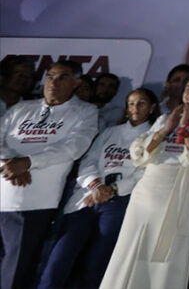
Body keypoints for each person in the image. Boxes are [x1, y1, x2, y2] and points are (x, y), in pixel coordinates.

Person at [99, 74, 189, 289]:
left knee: (168, 252)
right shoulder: (165, 118)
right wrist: (166, 128)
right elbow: (140, 154)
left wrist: (187, 125)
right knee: (132, 246)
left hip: (181, 187)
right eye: (188, 88)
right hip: (148, 187)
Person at [38, 88, 160, 289]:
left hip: (120, 202)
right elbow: (89, 160)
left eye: (142, 103)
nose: (135, 108)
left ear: (152, 107)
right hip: (87, 197)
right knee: (59, 259)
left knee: (96, 264)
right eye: (131, 103)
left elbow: (144, 173)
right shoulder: (110, 132)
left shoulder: (155, 137)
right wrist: (96, 185)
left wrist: (112, 190)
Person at [0, 60, 99, 289]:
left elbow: (74, 147)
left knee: (14, 275)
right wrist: (10, 163)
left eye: (62, 77)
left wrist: (29, 162)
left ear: (76, 83)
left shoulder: (85, 112)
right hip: (2, 193)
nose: (53, 82)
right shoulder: (22, 108)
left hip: (35, 203)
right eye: (50, 76)